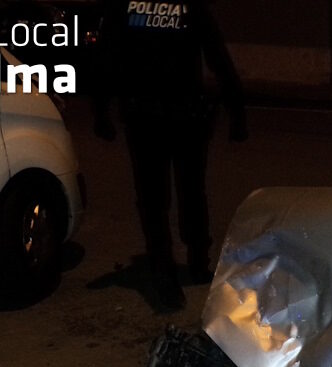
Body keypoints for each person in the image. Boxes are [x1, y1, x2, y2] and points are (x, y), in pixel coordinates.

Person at [93, 0, 248, 310]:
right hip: (185, 116)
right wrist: (237, 112)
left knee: (153, 200)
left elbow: (106, 58)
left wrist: (101, 111)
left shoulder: (124, 5)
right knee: (191, 190)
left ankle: (165, 273)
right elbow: (217, 56)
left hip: (145, 117)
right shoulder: (189, 4)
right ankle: (197, 261)